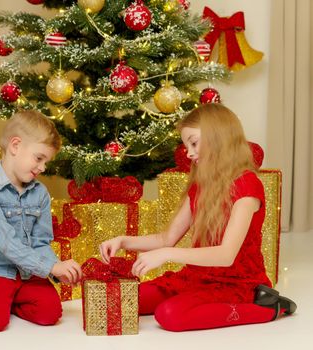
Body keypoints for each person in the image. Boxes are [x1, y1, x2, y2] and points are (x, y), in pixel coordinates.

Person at [100, 103, 297, 332]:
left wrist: (166, 255)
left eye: (193, 143)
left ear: (219, 136)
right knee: (122, 300)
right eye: (186, 146)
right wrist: (123, 241)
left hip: (235, 281)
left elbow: (226, 255)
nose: (189, 153)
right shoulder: (200, 186)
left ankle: (269, 309)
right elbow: (166, 239)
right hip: (197, 276)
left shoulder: (247, 185)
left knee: (169, 315)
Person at [0, 110, 82, 332]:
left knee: (50, 313)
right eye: (39, 158)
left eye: (46, 162)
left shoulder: (40, 193)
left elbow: (40, 242)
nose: (43, 168)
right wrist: (53, 266)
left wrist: (55, 272)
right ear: (15, 146)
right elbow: (8, 244)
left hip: (28, 272)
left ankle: (6, 302)